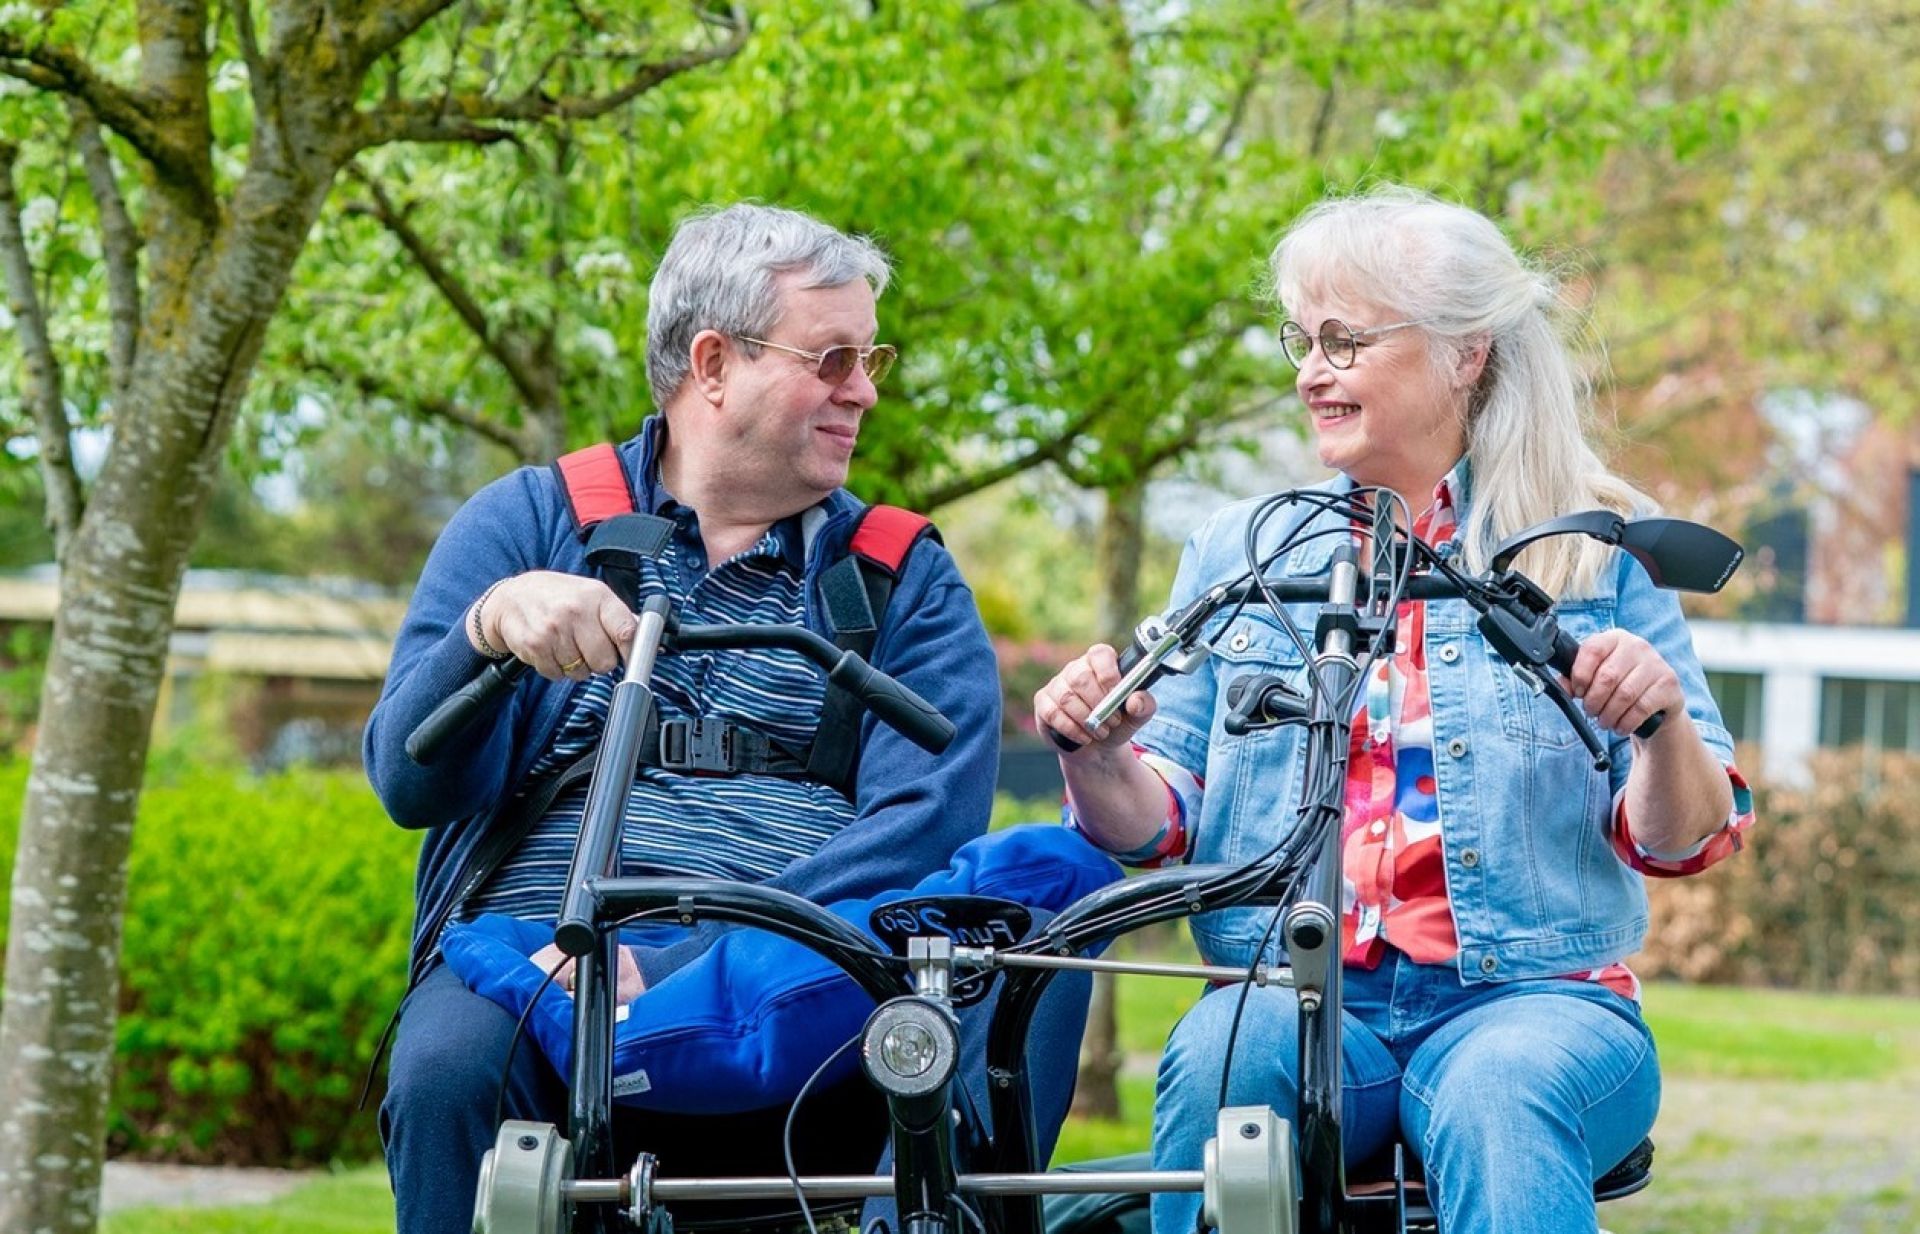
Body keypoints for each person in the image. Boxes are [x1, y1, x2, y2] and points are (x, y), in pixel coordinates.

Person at [1035, 185, 1756, 1234]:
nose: (1308, 371)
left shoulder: (1590, 551)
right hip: (1302, 999)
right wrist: (1093, 754)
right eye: (1302, 338)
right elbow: (1159, 823)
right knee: (1228, 1049)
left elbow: (1693, 835)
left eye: (1344, 340)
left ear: (1465, 353)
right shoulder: (1240, 552)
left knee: (1499, 1092)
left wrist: (1662, 728)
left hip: (1533, 1003)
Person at [364, 204, 1097, 1234]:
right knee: (448, 1062)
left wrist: (681, 965)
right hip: (535, 967)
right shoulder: (531, 523)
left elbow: (924, 829)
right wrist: (484, 635)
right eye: (834, 357)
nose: (867, 389)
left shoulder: (902, 579)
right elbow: (407, 783)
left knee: (1020, 963)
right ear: (713, 363)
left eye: (870, 355)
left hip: (808, 987)